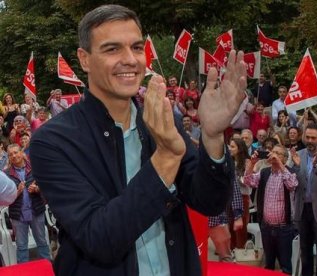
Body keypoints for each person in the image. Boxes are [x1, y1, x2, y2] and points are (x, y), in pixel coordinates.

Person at [30, 4, 247, 276]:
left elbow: (209, 202)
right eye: (112, 49)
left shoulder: (163, 122)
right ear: (84, 59)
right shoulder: (53, 141)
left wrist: (213, 136)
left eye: (136, 47)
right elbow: (100, 237)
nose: (130, 59)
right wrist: (166, 157)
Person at [244, 144, 298, 273]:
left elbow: (292, 184)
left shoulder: (290, 171)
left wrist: (280, 164)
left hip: (284, 228)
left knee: (285, 266)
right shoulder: (264, 172)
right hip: (266, 227)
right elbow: (248, 181)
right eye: (272, 151)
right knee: (268, 265)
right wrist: (252, 164)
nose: (273, 154)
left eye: (278, 153)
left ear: (285, 158)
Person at [290, 123, 317, 276]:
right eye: (307, 137)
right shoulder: (299, 155)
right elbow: (292, 182)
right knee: (305, 252)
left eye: (313, 138)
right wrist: (295, 167)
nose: (309, 140)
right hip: (303, 209)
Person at [6, 144, 50, 263]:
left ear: (22, 152)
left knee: (42, 242)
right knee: (21, 247)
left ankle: (47, 268)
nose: (14, 156)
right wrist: (17, 192)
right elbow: (4, 199)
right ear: (9, 158)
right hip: (18, 215)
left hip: (36, 210)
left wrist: (37, 188)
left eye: (16, 152)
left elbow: (46, 184)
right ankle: (23, 271)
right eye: (10, 154)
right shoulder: (6, 174)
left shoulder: (35, 168)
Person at [227, 138, 250, 249]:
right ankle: (231, 250)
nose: (230, 149)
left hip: (242, 196)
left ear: (240, 149)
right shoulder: (228, 161)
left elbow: (247, 181)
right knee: (230, 224)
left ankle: (241, 251)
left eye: (232, 147)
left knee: (240, 227)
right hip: (228, 197)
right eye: (229, 146)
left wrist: (235, 178)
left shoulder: (247, 162)